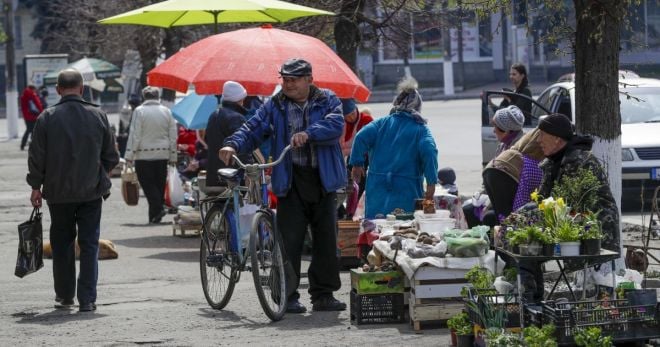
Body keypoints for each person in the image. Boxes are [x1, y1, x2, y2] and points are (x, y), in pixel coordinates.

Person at [219, 58, 347, 314]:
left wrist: (310, 133)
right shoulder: (275, 105)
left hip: (323, 179)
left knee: (325, 239)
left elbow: (336, 125)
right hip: (291, 179)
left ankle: (323, 295)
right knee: (289, 240)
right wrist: (233, 143)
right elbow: (253, 126)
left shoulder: (328, 99)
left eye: (294, 80)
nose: (288, 85)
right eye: (285, 80)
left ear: (309, 79)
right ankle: (286, 296)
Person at [26, 69, 119, 312]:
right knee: (89, 244)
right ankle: (87, 299)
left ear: (58, 89)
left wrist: (36, 186)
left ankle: (65, 296)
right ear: (81, 88)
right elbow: (112, 156)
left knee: (62, 244)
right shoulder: (98, 115)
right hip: (91, 193)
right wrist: (100, 176)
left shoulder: (47, 118)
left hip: (58, 195)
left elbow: (37, 156)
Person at [350, 77, 439, 218]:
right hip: (406, 190)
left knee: (375, 229)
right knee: (403, 231)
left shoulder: (381, 124)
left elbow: (360, 137)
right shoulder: (421, 130)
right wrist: (431, 183)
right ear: (417, 107)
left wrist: (357, 163)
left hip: (377, 189)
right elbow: (429, 151)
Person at [536, 113, 619, 251]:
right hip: (571, 227)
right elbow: (543, 200)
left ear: (557, 138)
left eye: (542, 135)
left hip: (595, 234)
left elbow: (565, 204)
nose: (538, 140)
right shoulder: (553, 162)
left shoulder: (581, 161)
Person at [125, 86, 177, 224]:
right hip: (163, 154)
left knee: (147, 185)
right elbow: (173, 135)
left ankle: (158, 209)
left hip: (143, 155)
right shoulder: (166, 111)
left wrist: (129, 155)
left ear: (144, 97)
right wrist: (173, 156)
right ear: (157, 96)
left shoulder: (139, 111)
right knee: (159, 185)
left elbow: (135, 134)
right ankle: (154, 215)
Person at [205, 81, 253, 189]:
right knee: (237, 205)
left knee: (221, 204)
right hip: (232, 176)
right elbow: (244, 148)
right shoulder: (237, 118)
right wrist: (249, 171)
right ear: (240, 99)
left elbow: (208, 141)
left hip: (213, 174)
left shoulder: (213, 115)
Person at [19, 85, 44, 151]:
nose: (35, 91)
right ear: (32, 89)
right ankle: (33, 145)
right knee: (33, 130)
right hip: (33, 116)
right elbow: (37, 104)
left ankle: (24, 144)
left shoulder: (24, 95)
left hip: (27, 116)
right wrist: (41, 112)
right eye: (34, 89)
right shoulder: (31, 94)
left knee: (29, 130)